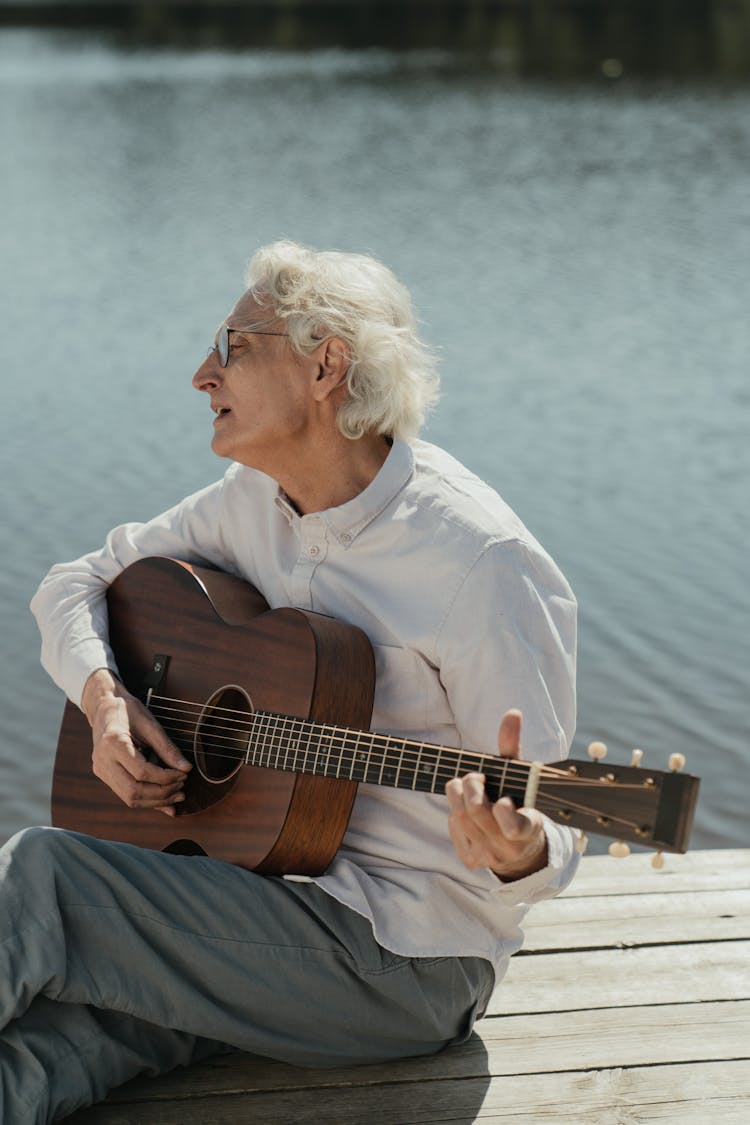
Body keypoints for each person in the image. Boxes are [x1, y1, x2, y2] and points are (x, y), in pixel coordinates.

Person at [2, 241, 578, 1122]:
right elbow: (71, 583)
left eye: (233, 345)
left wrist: (520, 851)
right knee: (50, 1047)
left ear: (324, 364)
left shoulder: (481, 563)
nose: (203, 373)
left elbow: (555, 816)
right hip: (256, 903)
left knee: (43, 876)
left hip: (405, 961)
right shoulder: (248, 503)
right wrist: (104, 700)